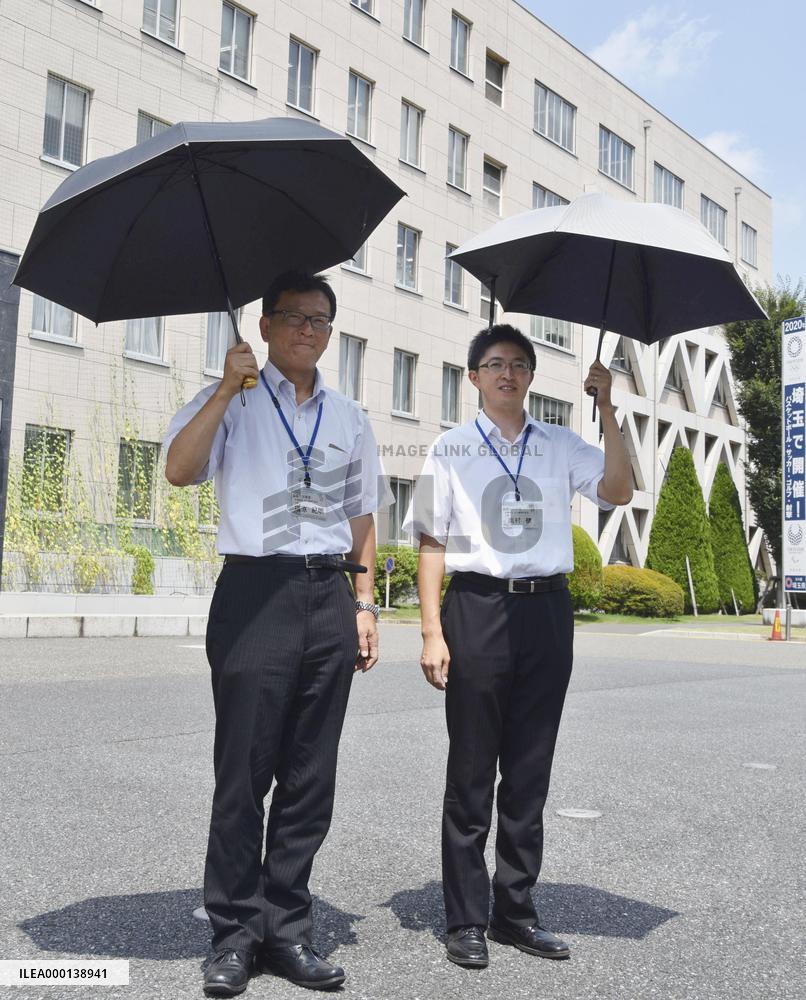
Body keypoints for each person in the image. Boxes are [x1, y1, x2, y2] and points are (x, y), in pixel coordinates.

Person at [164, 272, 390, 996]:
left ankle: (288, 929)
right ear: (263, 326)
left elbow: (361, 515)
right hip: (255, 591)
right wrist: (228, 389)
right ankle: (233, 934)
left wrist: (365, 602)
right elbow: (178, 469)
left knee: (308, 776)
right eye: (293, 317)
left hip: (329, 593)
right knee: (244, 772)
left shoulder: (351, 416)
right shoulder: (230, 400)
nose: (307, 330)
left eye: (320, 320)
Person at [403, 323, 633, 969]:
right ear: (473, 376)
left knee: (529, 771)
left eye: (519, 364)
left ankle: (515, 913)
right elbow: (429, 540)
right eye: (495, 363)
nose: (508, 373)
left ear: (532, 377)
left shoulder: (561, 444)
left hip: (546, 611)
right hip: (476, 606)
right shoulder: (448, 448)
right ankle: (466, 919)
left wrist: (608, 408)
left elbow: (618, 490)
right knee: (472, 771)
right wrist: (431, 631)